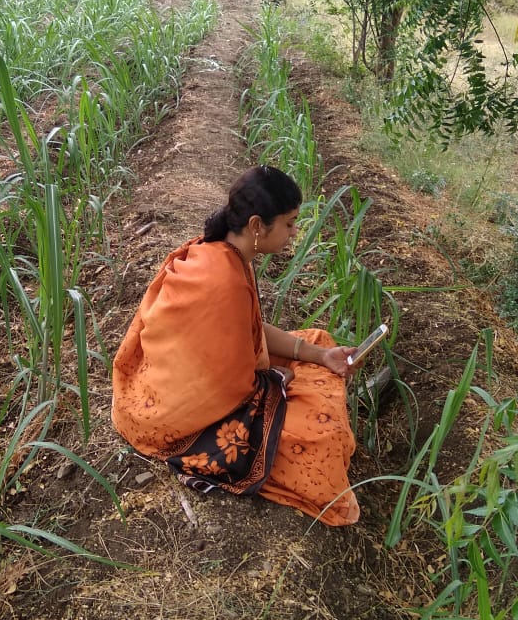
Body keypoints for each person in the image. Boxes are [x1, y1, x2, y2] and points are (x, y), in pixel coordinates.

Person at [111, 165, 366, 526]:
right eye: (290, 223)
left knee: (320, 343)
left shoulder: (217, 251)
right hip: (174, 414)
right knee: (321, 439)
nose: (295, 233)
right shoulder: (224, 280)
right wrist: (278, 379)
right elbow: (234, 386)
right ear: (257, 225)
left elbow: (249, 331)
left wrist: (320, 356)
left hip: (168, 384)